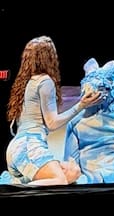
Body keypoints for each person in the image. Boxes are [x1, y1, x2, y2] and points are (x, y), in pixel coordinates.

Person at [1, 35, 101, 186]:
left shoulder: (26, 82)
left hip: (16, 149)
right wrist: (81, 105)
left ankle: (13, 185)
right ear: (49, 57)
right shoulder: (45, 81)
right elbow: (52, 123)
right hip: (29, 146)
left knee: (72, 174)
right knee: (60, 180)